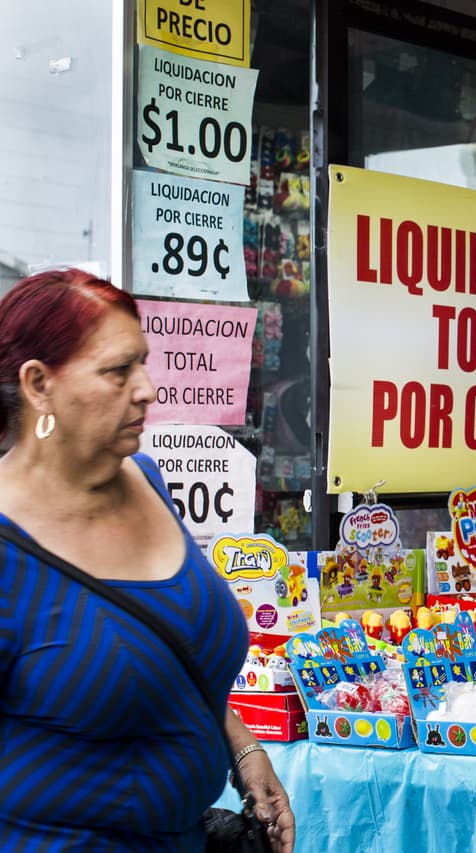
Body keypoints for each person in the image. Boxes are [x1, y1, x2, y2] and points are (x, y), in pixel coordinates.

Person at [0, 270, 295, 851]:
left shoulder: (147, 481)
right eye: (117, 370)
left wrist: (242, 746)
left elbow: (171, 653)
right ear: (39, 385)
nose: (146, 388)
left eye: (142, 363)